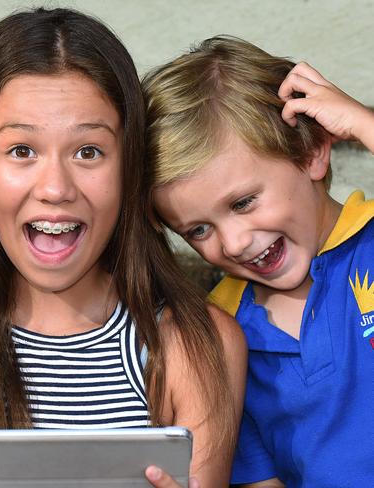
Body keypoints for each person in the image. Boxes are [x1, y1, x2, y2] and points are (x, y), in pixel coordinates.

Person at [0, 9, 246, 488]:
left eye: (88, 151)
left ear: (128, 168)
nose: (56, 188)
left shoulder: (196, 343)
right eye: (22, 151)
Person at [144, 35, 374, 487]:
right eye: (198, 230)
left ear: (311, 151)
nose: (232, 242)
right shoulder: (219, 333)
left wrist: (366, 125)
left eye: (244, 202)